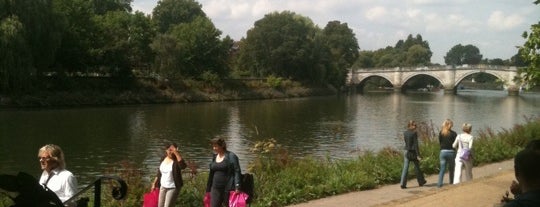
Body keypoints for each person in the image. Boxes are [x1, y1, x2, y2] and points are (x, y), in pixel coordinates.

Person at [206, 137, 242, 207]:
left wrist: (237, 186)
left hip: (228, 188)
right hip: (215, 188)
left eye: (216, 146)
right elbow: (211, 173)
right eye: (213, 146)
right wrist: (208, 188)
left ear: (222, 146)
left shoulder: (231, 156)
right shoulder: (214, 157)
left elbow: (237, 171)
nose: (214, 148)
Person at [151, 142, 187, 207]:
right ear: (166, 150)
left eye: (173, 150)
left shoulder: (177, 160)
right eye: (169, 150)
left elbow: (183, 166)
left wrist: (176, 153)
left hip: (173, 187)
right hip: (163, 187)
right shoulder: (163, 158)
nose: (171, 152)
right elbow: (159, 172)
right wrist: (154, 183)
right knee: (160, 205)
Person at [399, 120, 426, 189]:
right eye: (414, 125)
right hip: (413, 152)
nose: (415, 126)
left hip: (406, 151)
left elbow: (406, 142)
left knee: (405, 168)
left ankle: (402, 183)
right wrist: (418, 155)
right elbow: (416, 145)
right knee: (417, 167)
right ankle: (421, 181)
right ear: (410, 126)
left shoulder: (405, 133)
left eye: (415, 125)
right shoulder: (414, 133)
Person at [437, 119, 457, 187]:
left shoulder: (441, 133)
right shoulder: (454, 133)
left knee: (442, 169)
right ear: (450, 125)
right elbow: (455, 144)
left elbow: (440, 142)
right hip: (451, 152)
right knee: (451, 169)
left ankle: (439, 184)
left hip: (442, 152)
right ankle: (451, 183)